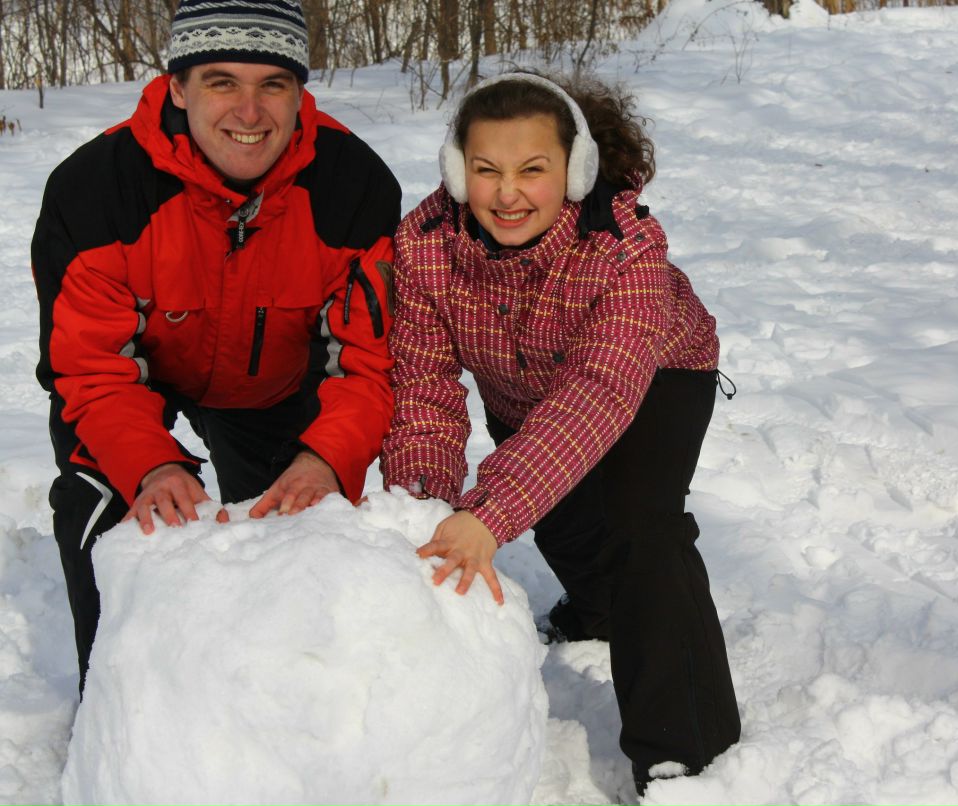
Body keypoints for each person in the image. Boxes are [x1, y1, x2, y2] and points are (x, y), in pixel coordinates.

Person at [381, 71, 741, 793]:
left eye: (531, 170)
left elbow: (599, 393)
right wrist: (423, 504)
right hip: (521, 384)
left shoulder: (623, 246)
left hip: (654, 378)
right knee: (563, 522)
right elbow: (423, 386)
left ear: (573, 173)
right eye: (486, 170)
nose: (507, 193)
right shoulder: (423, 248)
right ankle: (601, 611)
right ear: (458, 172)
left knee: (642, 529)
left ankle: (683, 749)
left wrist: (488, 512)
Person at [31, 0, 401, 694]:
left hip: (272, 383)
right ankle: (116, 701)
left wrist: (325, 458)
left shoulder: (354, 187)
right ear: (177, 87)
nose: (249, 110)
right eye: (221, 81)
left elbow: (366, 361)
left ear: (301, 93)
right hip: (133, 385)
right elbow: (89, 366)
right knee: (105, 506)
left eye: (273, 84)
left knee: (291, 529)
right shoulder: (95, 191)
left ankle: (272, 700)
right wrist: (149, 468)